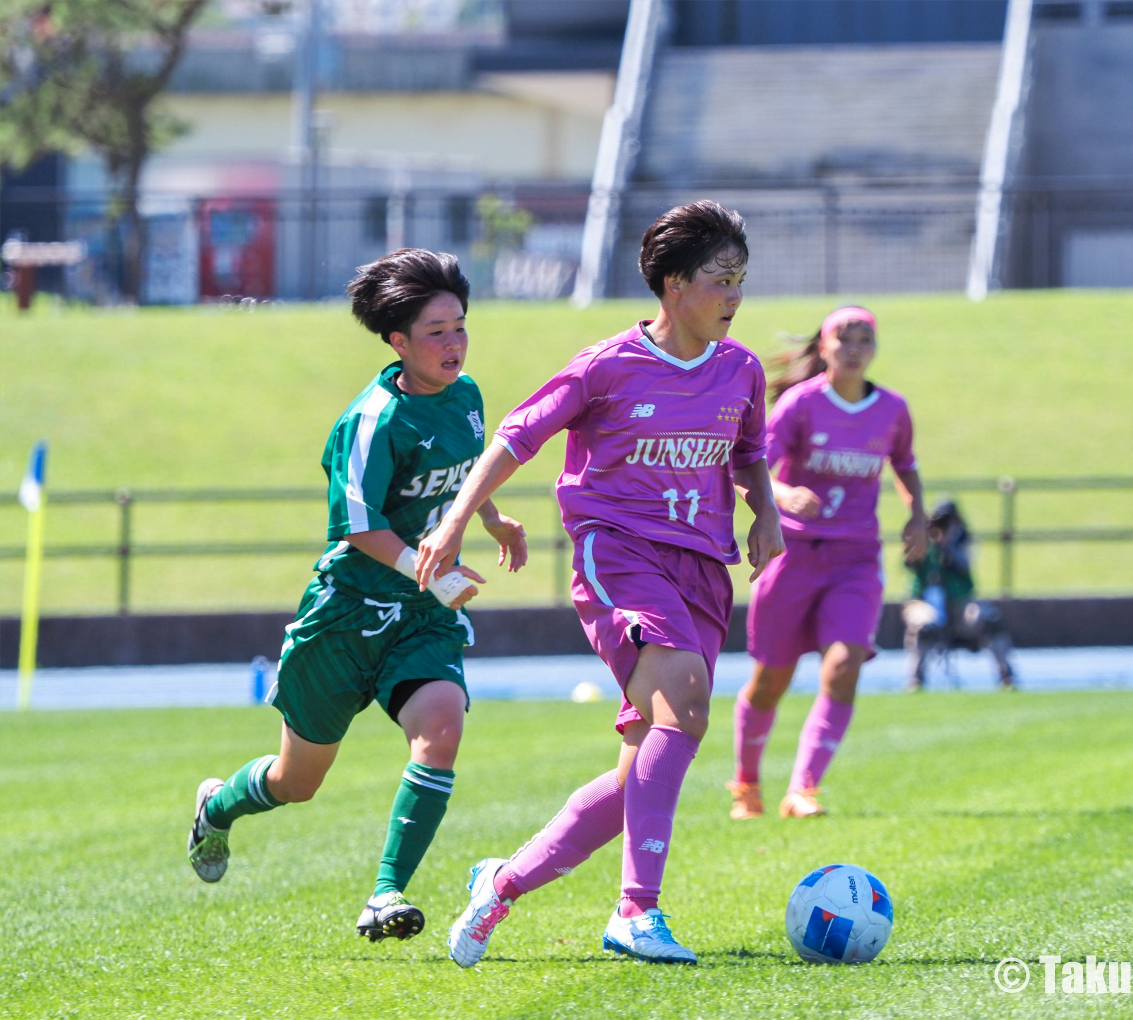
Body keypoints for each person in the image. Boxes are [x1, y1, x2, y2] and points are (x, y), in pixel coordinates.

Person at [416, 200, 783, 966]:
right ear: (674, 285)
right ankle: (635, 912)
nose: (735, 297)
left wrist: (765, 512)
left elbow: (748, 452)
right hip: (616, 554)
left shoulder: (741, 369)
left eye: (742, 280)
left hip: (703, 570)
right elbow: (516, 438)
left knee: (644, 768)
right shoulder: (607, 367)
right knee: (683, 703)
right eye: (722, 280)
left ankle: (503, 883)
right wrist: (456, 522)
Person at [186, 248, 528, 944]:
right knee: (295, 782)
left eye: (460, 325)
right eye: (436, 332)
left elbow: (465, 471)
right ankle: (217, 808)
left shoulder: (466, 396)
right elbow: (361, 528)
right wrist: (429, 566)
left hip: (421, 619)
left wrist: (491, 517)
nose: (454, 343)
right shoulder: (371, 420)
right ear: (398, 342)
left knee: (442, 730)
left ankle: (386, 893)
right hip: (346, 616)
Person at [727, 306, 928, 821]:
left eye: (865, 338)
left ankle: (803, 791)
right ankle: (747, 785)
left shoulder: (892, 409)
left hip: (855, 558)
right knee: (772, 678)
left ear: (875, 348)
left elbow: (903, 462)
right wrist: (784, 495)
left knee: (844, 667)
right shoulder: (799, 405)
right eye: (845, 337)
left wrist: (917, 516)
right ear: (824, 347)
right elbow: (751, 467)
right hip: (792, 555)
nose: (855, 346)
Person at [904, 499, 1015, 689]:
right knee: (924, 625)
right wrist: (923, 537)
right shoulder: (925, 539)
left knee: (990, 619)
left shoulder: (963, 541)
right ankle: (916, 679)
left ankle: (1006, 676)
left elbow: (964, 564)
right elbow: (909, 562)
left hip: (960, 604)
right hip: (924, 601)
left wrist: (949, 544)